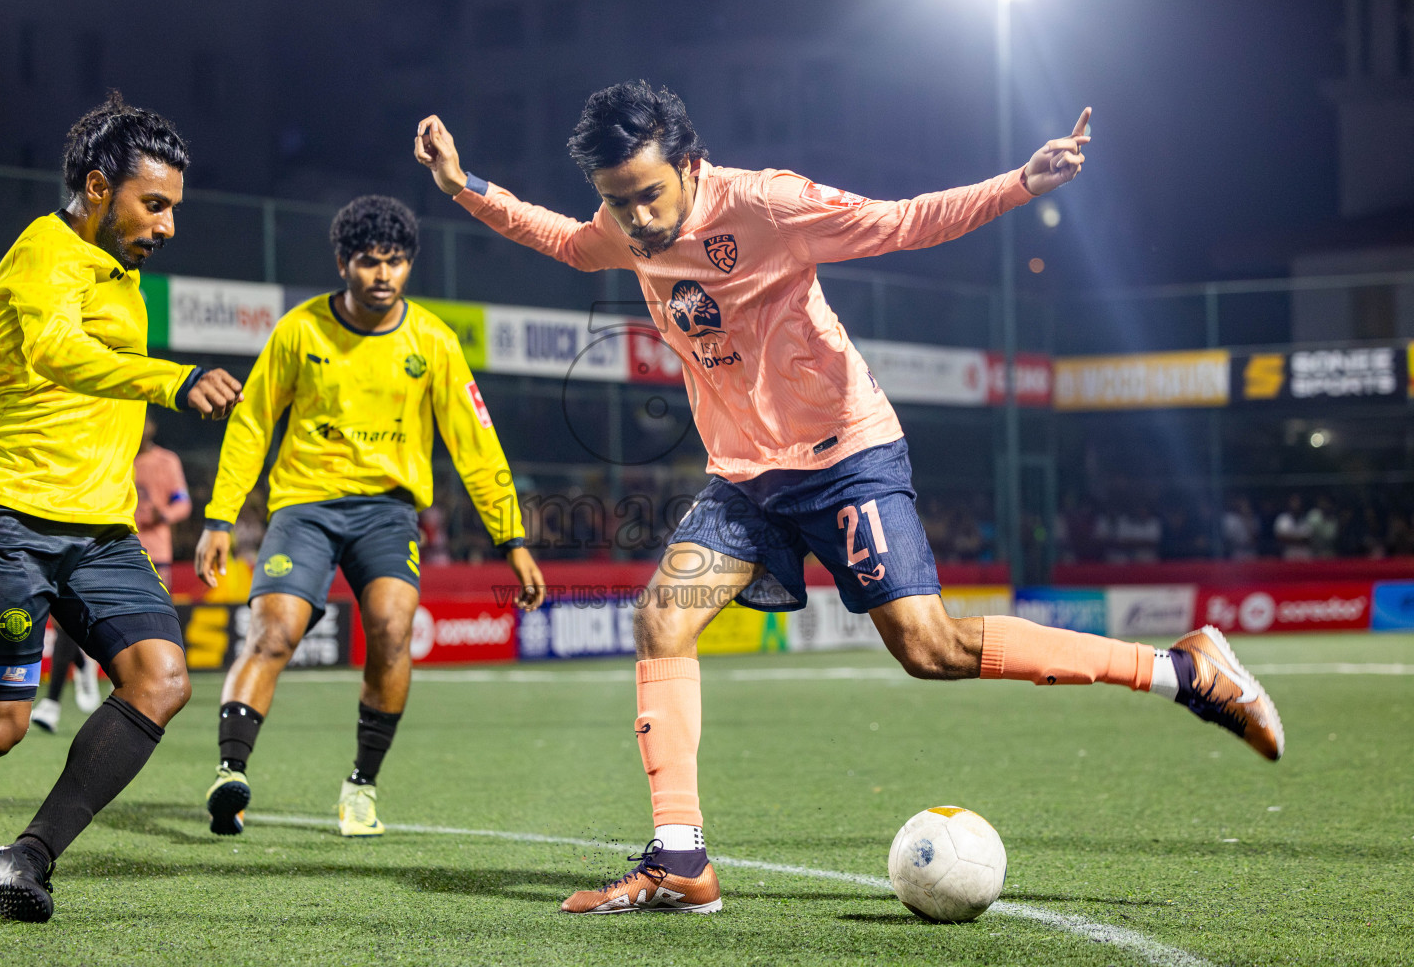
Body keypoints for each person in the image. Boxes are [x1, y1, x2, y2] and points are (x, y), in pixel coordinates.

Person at [415, 81, 1284, 916]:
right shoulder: (622, 225)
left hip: (844, 451)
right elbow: (569, 241)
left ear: (689, 163)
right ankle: (680, 858)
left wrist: (1021, 184)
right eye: (617, 201)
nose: (634, 221)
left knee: (929, 649)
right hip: (744, 477)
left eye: (646, 196)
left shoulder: (767, 204)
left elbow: (899, 223)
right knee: (662, 618)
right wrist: (467, 187)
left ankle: (1182, 671)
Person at [0, 94, 243, 922]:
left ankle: (26, 859)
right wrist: (172, 379)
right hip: (8, 516)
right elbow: (50, 350)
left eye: (174, 208)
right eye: (155, 204)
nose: (168, 225)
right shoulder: (42, 252)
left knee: (161, 680)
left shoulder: (123, 274)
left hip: (101, 527)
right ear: (95, 185)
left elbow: (2, 359)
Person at [193, 195, 545, 839]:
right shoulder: (299, 331)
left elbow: (477, 443)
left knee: (390, 628)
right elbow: (251, 424)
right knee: (273, 631)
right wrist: (220, 518)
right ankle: (230, 774)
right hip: (303, 507)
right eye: (368, 262)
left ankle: (361, 787)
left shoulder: (433, 342)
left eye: (396, 261)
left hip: (387, 513)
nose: (383, 274)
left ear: (408, 264)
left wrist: (511, 538)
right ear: (342, 263)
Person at [31, 410, 189, 734]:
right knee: (66, 619)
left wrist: (165, 514)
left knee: (148, 627)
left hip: (154, 553)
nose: (141, 424)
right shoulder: (113, 452)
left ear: (153, 425)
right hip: (107, 548)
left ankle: (114, 681)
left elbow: (182, 501)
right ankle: (55, 698)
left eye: (146, 417)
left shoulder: (166, 461)